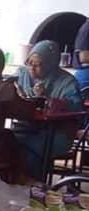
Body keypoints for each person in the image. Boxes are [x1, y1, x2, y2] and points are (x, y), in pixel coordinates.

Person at [12, 40, 84, 178]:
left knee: (27, 151)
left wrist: (48, 99)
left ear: (50, 64)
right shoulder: (22, 74)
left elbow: (76, 109)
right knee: (8, 141)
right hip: (25, 128)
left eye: (38, 64)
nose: (32, 68)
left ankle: (32, 187)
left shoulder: (67, 81)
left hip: (57, 134)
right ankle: (23, 185)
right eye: (29, 63)